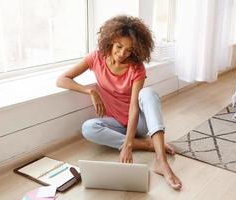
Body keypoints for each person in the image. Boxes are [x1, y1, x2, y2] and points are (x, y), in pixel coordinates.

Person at [56, 15, 182, 190]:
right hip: (116, 121)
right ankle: (147, 144)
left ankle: (162, 161)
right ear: (111, 40)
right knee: (88, 128)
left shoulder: (136, 68)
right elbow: (62, 79)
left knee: (148, 93)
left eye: (129, 50)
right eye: (119, 46)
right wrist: (90, 91)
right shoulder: (96, 58)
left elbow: (133, 107)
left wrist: (129, 144)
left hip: (138, 122)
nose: (123, 54)